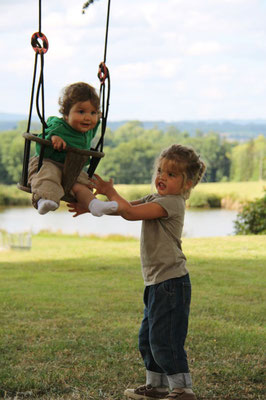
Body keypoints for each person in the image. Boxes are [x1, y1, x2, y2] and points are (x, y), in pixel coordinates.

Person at [68, 144, 206, 400]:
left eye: (172, 174)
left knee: (165, 339)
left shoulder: (172, 204)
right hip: (156, 282)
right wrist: (92, 206)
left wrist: (110, 191)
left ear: (187, 184)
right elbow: (122, 208)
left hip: (171, 282)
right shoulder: (155, 198)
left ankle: (183, 389)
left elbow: (129, 213)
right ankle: (156, 386)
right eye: (160, 170)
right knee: (148, 337)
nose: (162, 177)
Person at [27, 81, 118, 216]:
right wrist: (53, 138)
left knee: (81, 185)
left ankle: (94, 204)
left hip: (71, 168)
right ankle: (44, 200)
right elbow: (41, 146)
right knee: (48, 176)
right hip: (46, 163)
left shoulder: (88, 131)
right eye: (81, 111)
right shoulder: (59, 126)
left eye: (93, 112)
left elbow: (97, 120)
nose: (87, 117)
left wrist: (99, 115)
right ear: (66, 114)